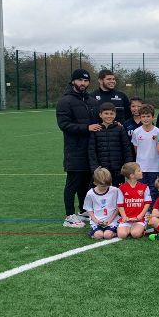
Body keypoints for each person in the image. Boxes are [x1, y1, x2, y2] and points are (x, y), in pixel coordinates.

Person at [57, 68, 100, 228]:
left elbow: (98, 121)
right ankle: (69, 215)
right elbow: (64, 125)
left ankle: (83, 211)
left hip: (90, 149)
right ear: (73, 81)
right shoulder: (65, 101)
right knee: (73, 182)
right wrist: (86, 128)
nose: (83, 83)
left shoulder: (92, 101)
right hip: (74, 149)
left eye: (86, 81)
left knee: (86, 182)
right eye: (80, 80)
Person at [88, 102, 133, 185]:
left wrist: (128, 165)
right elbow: (92, 150)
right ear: (100, 115)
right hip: (102, 169)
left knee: (117, 191)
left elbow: (126, 148)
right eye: (106, 113)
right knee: (102, 190)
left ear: (115, 115)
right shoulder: (96, 130)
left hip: (117, 168)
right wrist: (95, 168)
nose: (109, 116)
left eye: (111, 114)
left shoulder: (120, 129)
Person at [83, 167, 120, 239]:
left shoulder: (115, 190)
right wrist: (95, 220)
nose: (105, 187)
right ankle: (93, 231)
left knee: (107, 235)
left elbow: (118, 207)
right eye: (102, 186)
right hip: (97, 220)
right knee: (99, 235)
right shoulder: (90, 193)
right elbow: (89, 209)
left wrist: (110, 220)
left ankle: (115, 232)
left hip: (111, 220)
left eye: (107, 185)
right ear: (95, 183)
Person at [116, 162, 150, 239]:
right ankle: (127, 228)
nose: (141, 172)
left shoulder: (144, 187)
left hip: (139, 218)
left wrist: (141, 215)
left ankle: (142, 226)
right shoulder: (121, 188)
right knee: (122, 235)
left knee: (135, 234)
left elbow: (147, 203)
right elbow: (120, 205)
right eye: (139, 170)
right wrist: (124, 217)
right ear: (132, 175)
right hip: (127, 219)